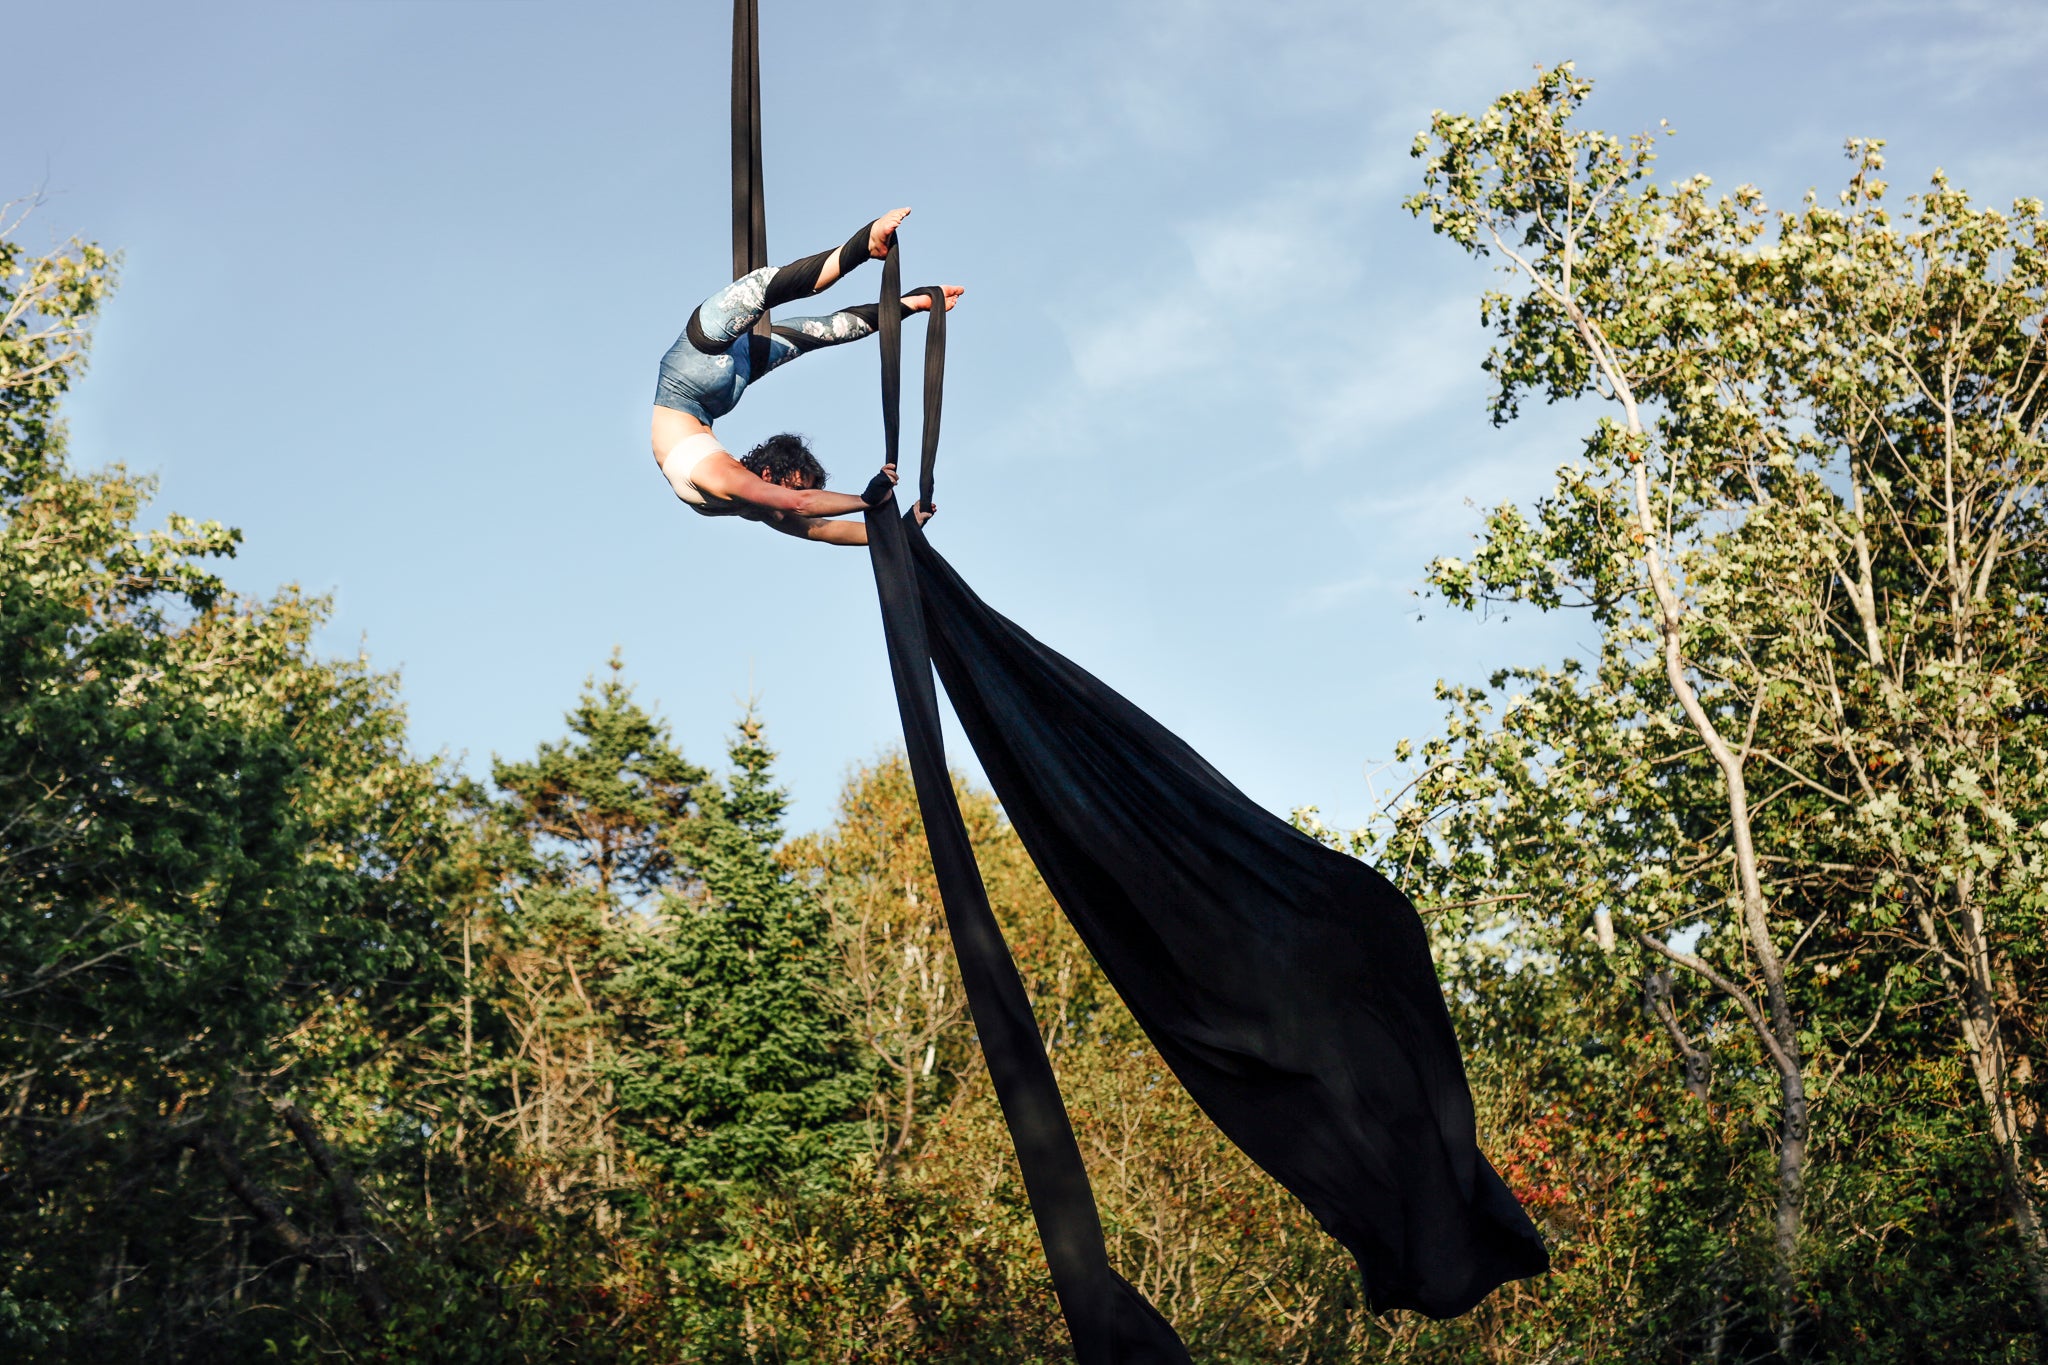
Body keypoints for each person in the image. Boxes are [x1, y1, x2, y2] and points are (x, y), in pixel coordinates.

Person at [651, 207, 961, 545]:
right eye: (801, 486)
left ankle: (865, 247)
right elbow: (824, 527)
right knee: (821, 331)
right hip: (719, 389)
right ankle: (909, 302)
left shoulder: (726, 480)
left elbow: (805, 507)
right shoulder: (761, 506)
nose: (807, 500)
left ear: (768, 473)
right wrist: (904, 528)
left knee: (763, 289)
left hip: (692, 368)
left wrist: (866, 501)